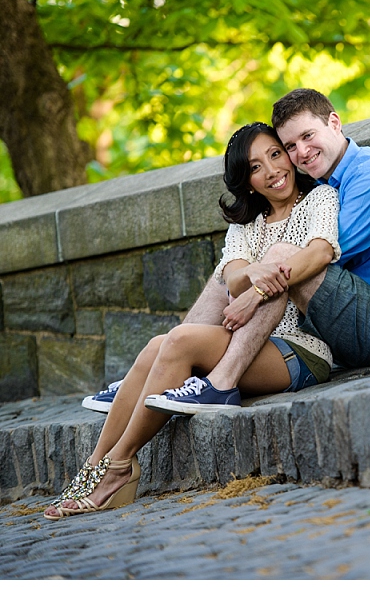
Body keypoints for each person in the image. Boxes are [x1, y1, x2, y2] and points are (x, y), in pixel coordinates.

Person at [45, 122, 340, 519]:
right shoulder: (246, 226)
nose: (272, 170)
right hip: (248, 342)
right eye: (256, 167)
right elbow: (231, 275)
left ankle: (120, 465)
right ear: (248, 182)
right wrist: (248, 276)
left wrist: (256, 286)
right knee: (158, 345)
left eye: (275, 154)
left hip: (299, 350)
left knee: (183, 338)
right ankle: (94, 465)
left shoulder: (319, 199)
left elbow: (320, 252)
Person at [142, 88, 370, 413]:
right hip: (343, 324)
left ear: (334, 123)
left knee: (282, 257)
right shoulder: (326, 184)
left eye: (308, 136)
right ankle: (158, 364)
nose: (302, 152)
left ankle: (222, 382)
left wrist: (253, 293)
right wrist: (242, 275)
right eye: (291, 146)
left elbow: (320, 254)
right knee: (226, 274)